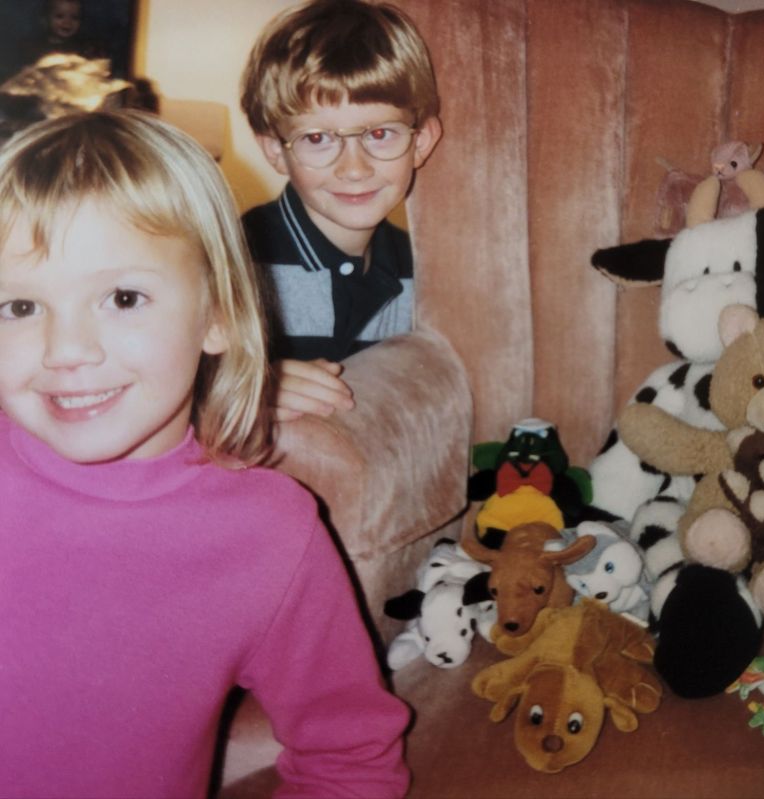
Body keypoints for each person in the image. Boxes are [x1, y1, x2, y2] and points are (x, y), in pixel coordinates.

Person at [0, 110, 410, 798]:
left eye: (123, 297)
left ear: (218, 314)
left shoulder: (269, 533)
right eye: (18, 307)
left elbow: (350, 759)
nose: (65, 350)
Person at [240, 0, 442, 421]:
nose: (354, 169)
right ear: (276, 151)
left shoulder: (425, 269)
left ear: (421, 142)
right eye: (317, 138)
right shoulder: (237, 261)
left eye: (380, 133)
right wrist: (245, 388)